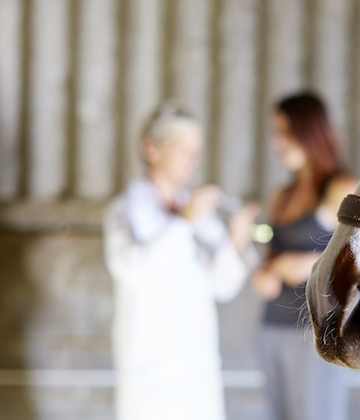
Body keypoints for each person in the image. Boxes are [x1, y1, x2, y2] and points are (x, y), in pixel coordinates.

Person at [103, 104, 258, 420]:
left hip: (197, 370)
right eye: (182, 149)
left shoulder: (199, 213)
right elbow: (131, 270)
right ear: (151, 148)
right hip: (149, 371)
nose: (192, 160)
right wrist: (183, 224)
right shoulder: (124, 210)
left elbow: (221, 286)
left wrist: (236, 242)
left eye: (196, 151)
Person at [253, 92, 356, 420]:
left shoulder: (341, 187)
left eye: (285, 132)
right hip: (272, 325)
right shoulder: (280, 195)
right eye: (276, 133)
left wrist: (309, 264)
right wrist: (265, 274)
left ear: (309, 131)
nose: (278, 143)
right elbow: (268, 258)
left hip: (317, 331)